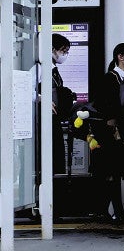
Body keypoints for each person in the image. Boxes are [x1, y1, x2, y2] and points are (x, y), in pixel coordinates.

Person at [90, 42, 124, 222]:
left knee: (117, 171)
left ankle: (114, 211)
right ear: (121, 57)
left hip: (122, 130)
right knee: (111, 171)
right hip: (110, 132)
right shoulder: (111, 78)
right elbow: (106, 105)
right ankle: (113, 211)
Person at [49, 33, 77, 175]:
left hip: (54, 118)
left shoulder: (53, 70)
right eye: (63, 51)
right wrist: (42, 98)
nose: (65, 55)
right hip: (45, 119)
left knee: (57, 153)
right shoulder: (41, 69)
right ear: (52, 49)